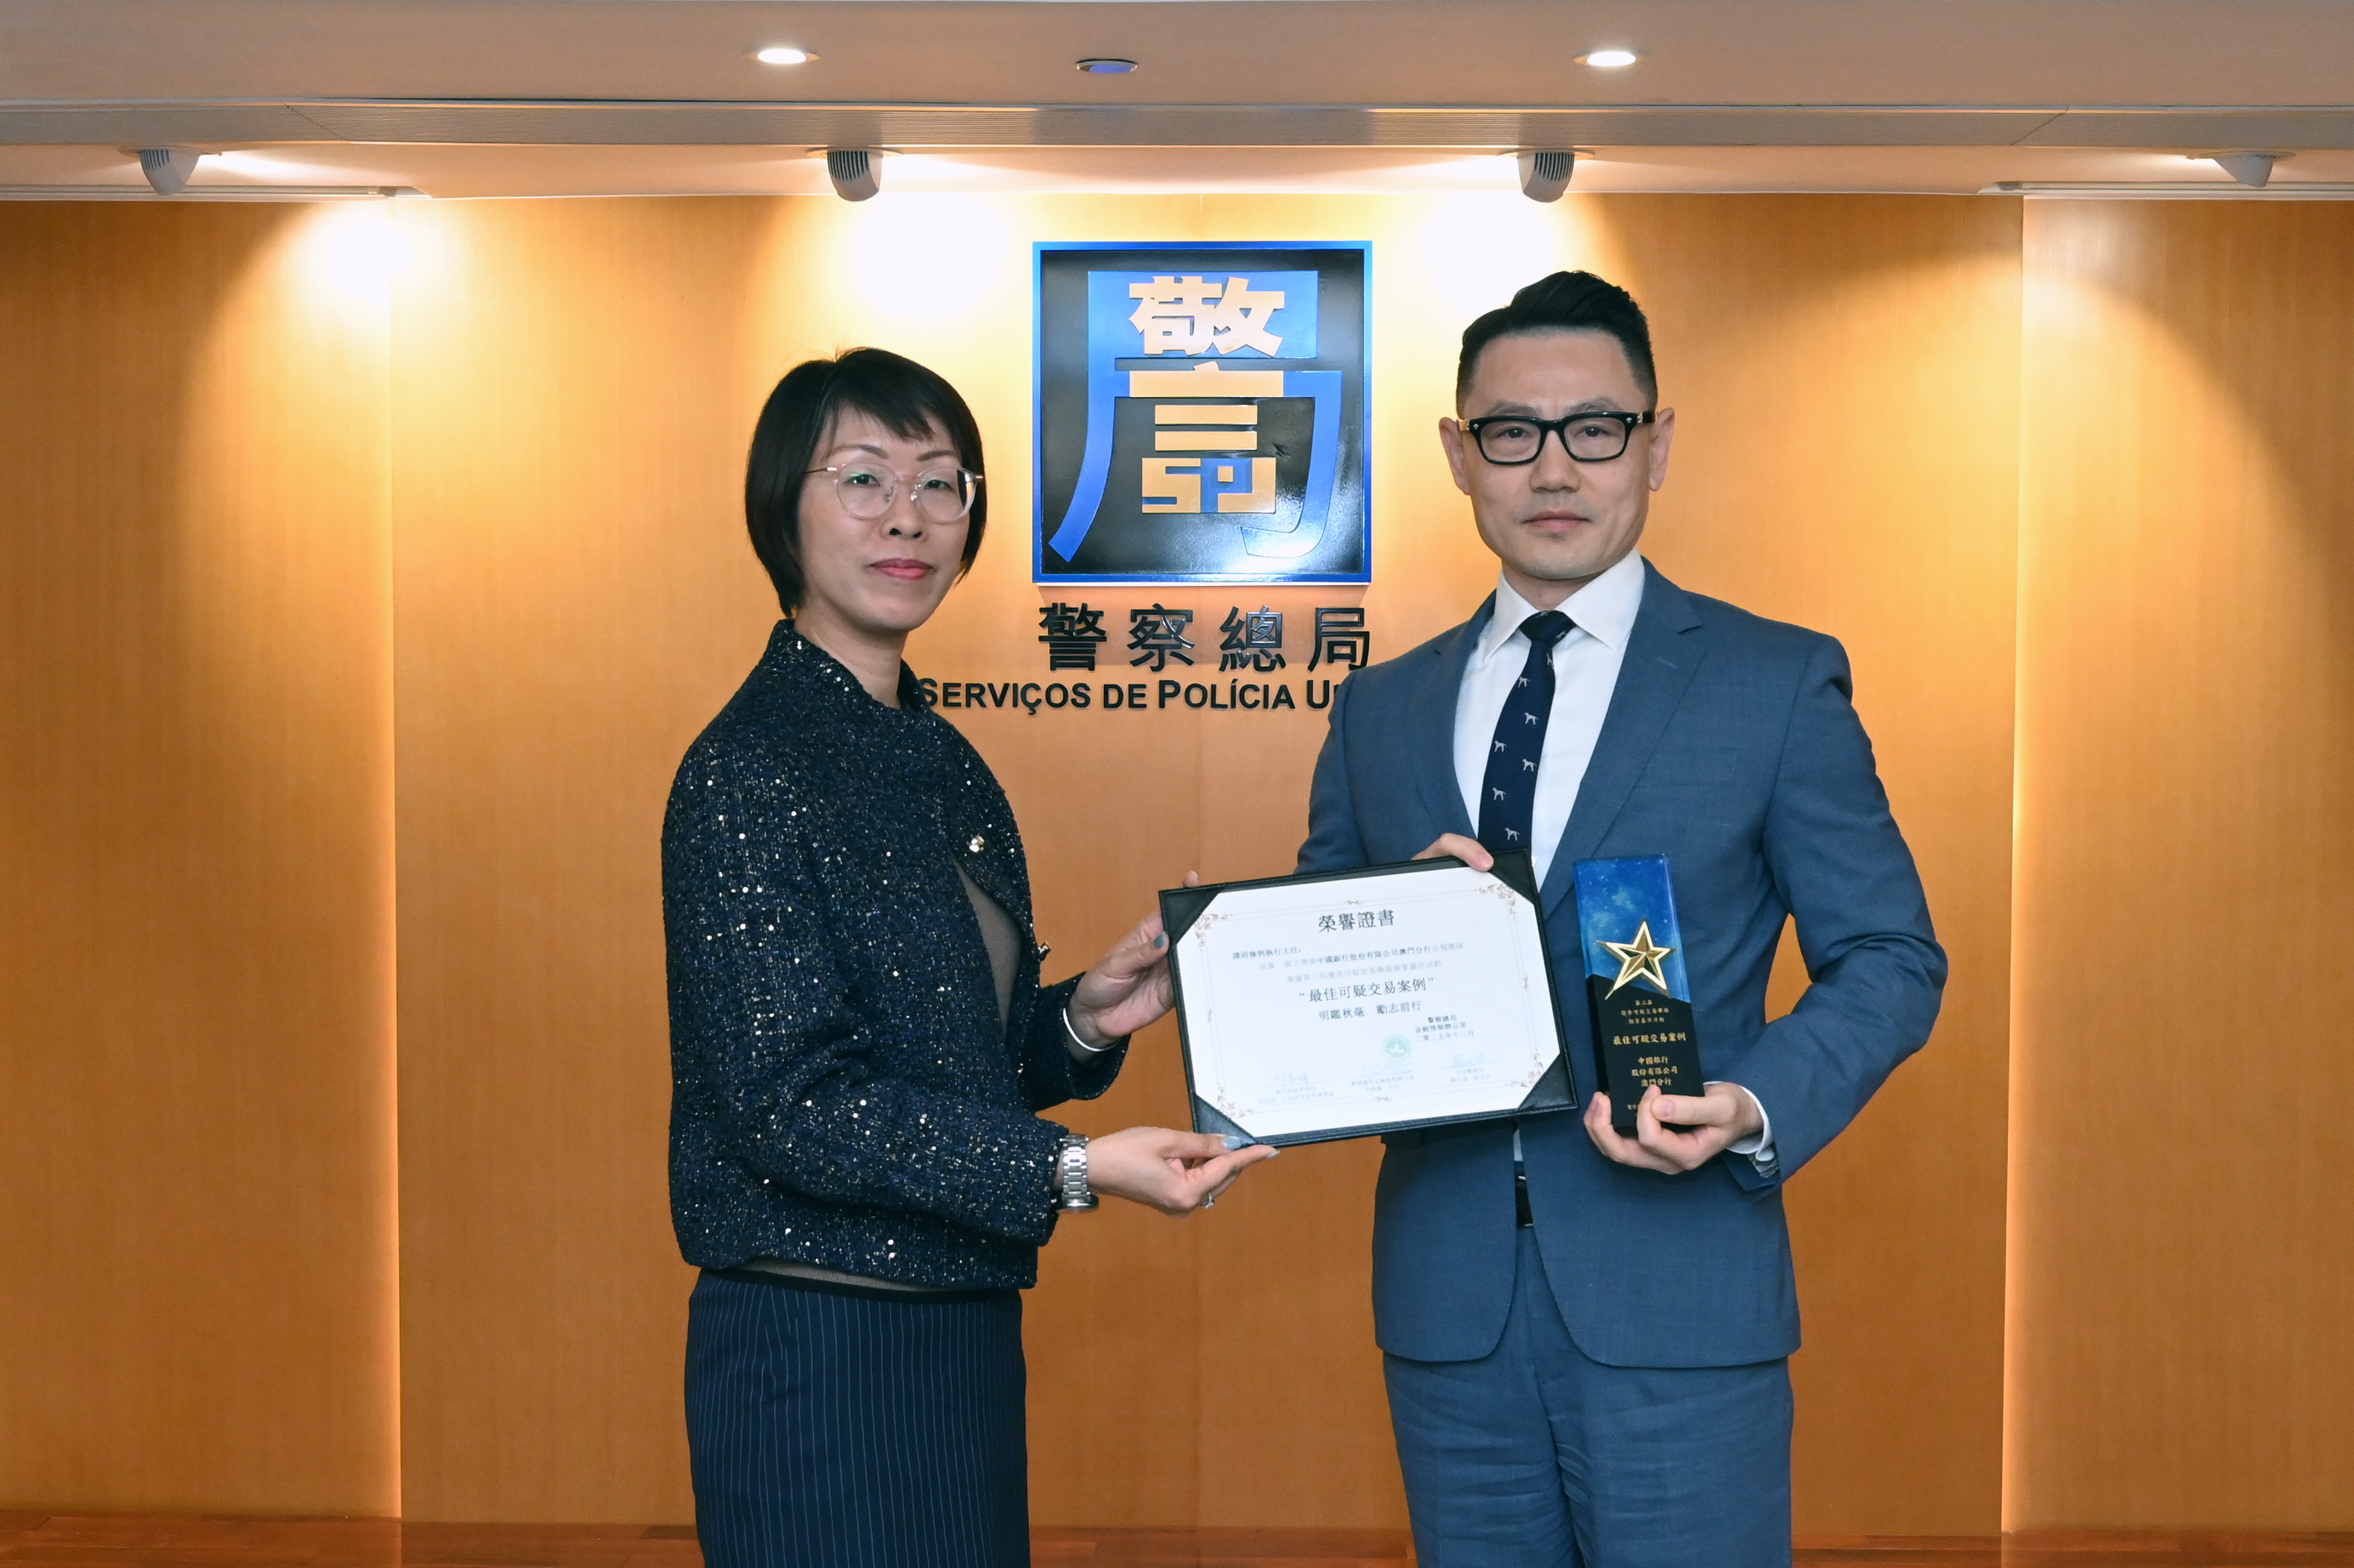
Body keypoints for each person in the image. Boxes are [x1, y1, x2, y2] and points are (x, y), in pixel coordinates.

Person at [1295, 271, 1946, 1566]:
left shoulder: (1772, 681)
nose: (1554, 468)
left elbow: (1890, 957)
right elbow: (1323, 973)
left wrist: (1753, 1103)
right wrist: (1385, 930)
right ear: (1457, 453)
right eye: (1511, 432)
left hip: (1681, 1297)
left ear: (1656, 445)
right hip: (1449, 1312)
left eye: (1595, 428)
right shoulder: (1382, 710)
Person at [663, 347, 1274, 1568]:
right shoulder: (748, 767)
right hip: (819, 1344)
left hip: (961, 1332)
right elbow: (794, 1106)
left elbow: (946, 1067)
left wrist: (1086, 1018)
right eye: (863, 478)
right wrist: (1073, 1166)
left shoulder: (941, 758)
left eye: (941, 483)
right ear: (783, 506)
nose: (909, 517)